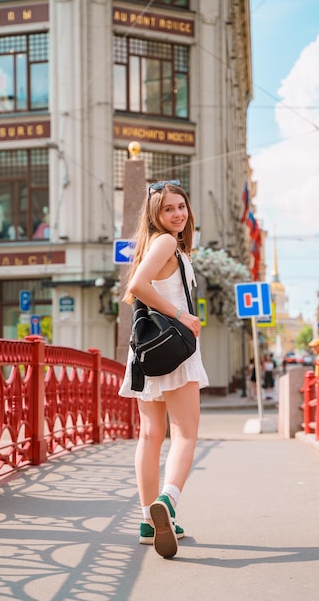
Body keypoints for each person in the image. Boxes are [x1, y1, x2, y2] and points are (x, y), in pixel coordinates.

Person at [118, 179, 209, 559]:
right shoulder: (166, 242)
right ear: (155, 214)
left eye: (181, 206)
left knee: (151, 435)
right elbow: (138, 286)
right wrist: (182, 314)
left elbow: (137, 286)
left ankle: (146, 521)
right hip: (174, 349)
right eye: (168, 208)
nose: (177, 214)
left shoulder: (154, 245)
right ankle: (168, 503)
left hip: (147, 352)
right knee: (185, 435)